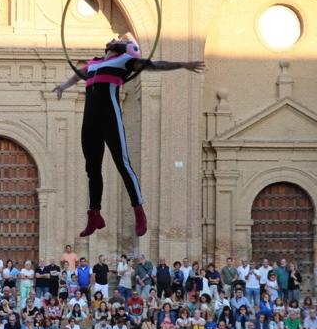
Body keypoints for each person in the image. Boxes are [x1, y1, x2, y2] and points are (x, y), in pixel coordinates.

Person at [53, 33, 204, 237]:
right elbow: (77, 75)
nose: (116, 39)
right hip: (90, 121)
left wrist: (181, 64)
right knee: (92, 169)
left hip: (110, 118)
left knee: (123, 165)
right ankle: (94, 215)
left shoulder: (126, 61)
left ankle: (139, 211)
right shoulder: (94, 64)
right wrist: (63, 86)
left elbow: (155, 65)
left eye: (121, 40)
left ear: (126, 48)